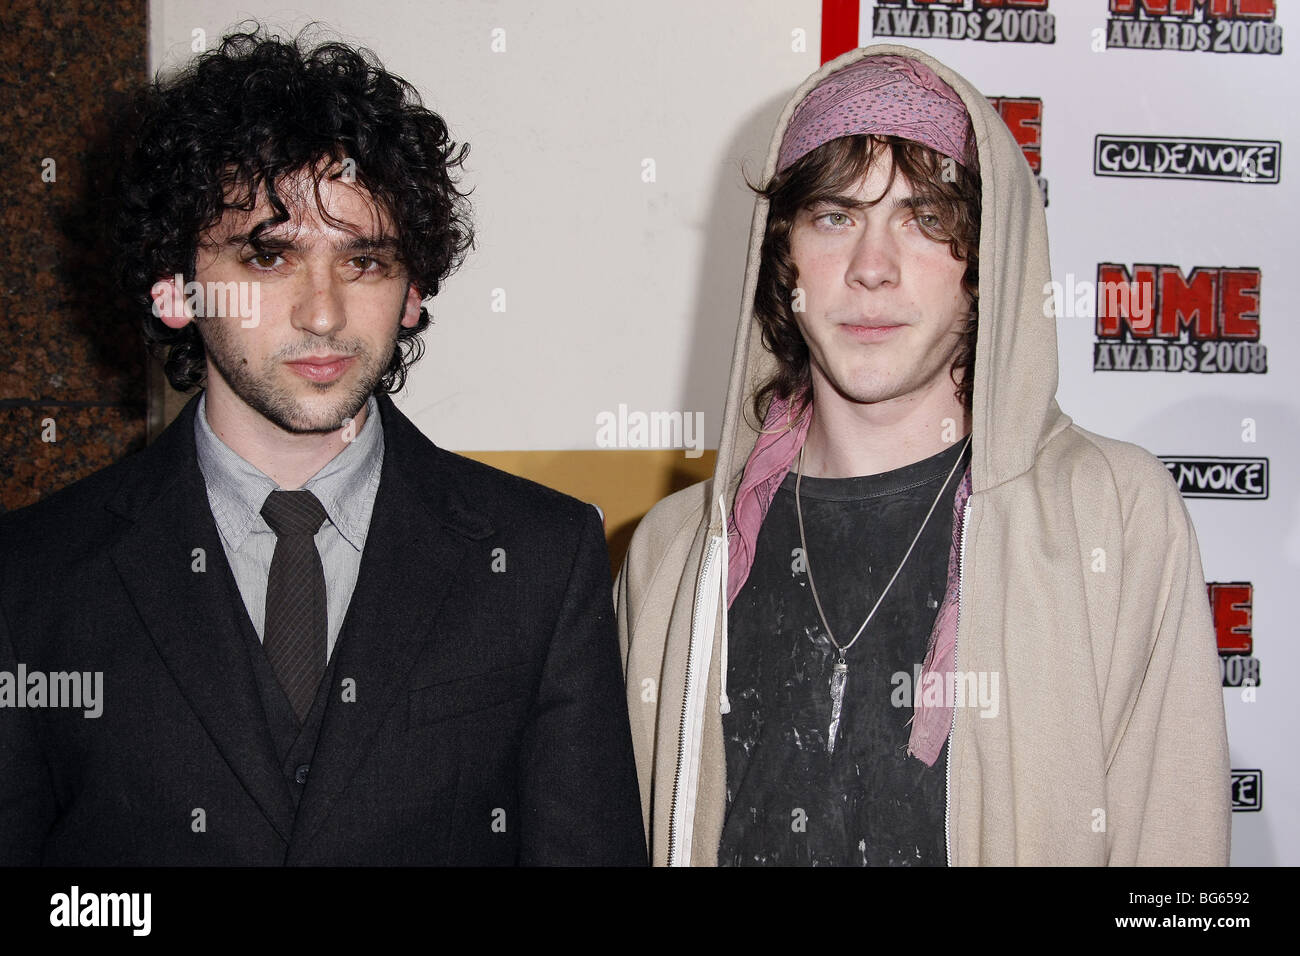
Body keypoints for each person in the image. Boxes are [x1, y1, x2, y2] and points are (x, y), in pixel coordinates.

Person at [0, 27, 646, 866]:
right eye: (269, 257)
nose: (323, 313)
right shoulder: (33, 578)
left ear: (412, 292)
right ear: (176, 282)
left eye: (365, 260)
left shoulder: (538, 558)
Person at [615, 44, 1230, 866]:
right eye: (835, 216)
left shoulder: (1110, 518)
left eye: (925, 218)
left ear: (985, 264)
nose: (872, 268)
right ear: (783, 257)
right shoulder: (674, 552)